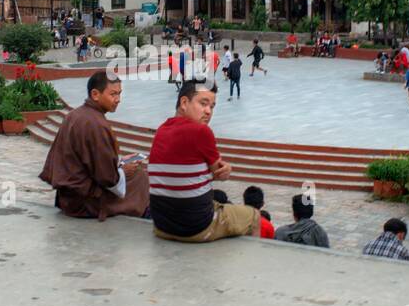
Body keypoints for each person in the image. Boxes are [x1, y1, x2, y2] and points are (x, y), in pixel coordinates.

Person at [148, 80, 259, 243]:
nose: (208, 111)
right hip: (195, 228)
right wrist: (227, 168)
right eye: (203, 103)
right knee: (254, 216)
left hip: (161, 226)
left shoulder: (161, 130)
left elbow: (183, 174)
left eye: (212, 107)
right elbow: (220, 173)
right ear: (184, 102)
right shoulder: (201, 131)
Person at [39, 71, 149, 220]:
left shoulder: (75, 114)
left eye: (119, 94)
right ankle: (145, 214)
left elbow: (91, 162)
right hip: (84, 201)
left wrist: (119, 161)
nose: (118, 99)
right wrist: (123, 170)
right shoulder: (95, 124)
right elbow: (108, 178)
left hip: (67, 198)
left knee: (136, 174)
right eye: (113, 94)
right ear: (95, 94)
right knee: (140, 177)